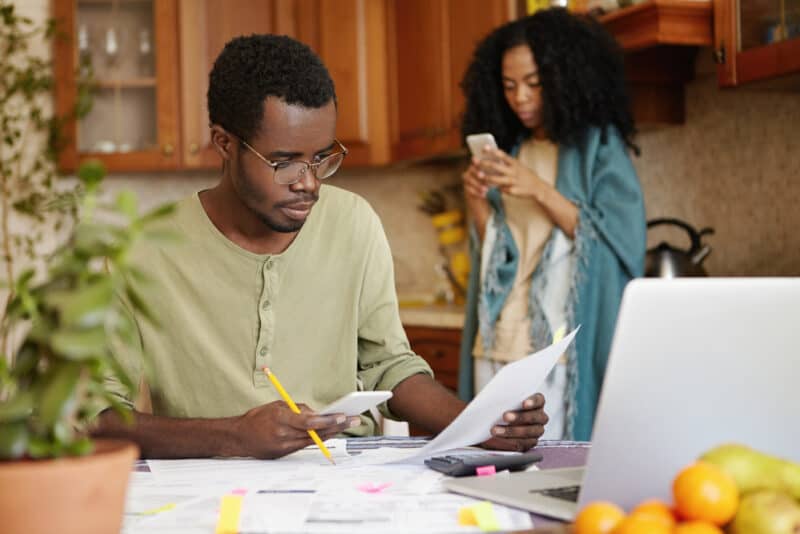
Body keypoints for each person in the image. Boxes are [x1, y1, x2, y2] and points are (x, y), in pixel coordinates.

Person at [92, 34, 548, 459]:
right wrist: (236, 434)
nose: (309, 184)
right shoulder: (144, 249)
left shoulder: (354, 224)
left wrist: (479, 423)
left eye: (321, 158)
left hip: (343, 480)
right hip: (210, 488)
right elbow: (97, 416)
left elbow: (389, 366)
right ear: (224, 144)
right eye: (285, 163)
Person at [457, 9, 646, 442]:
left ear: (563, 78)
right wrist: (477, 206)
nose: (520, 97)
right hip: (496, 340)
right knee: (490, 468)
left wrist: (538, 189)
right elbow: (500, 257)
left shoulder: (596, 147)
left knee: (549, 473)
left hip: (557, 351)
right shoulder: (512, 150)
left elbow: (623, 241)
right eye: (508, 86)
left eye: (533, 83)